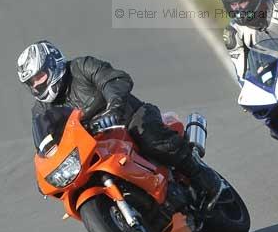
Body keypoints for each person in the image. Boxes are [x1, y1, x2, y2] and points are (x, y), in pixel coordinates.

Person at [17, 41, 222, 205]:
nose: (37, 84)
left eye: (40, 76)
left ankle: (202, 176)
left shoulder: (80, 67)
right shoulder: (41, 111)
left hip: (129, 117)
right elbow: (45, 145)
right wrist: (44, 172)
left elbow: (113, 80)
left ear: (54, 64)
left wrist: (114, 105)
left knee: (151, 139)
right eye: (31, 82)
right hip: (95, 146)